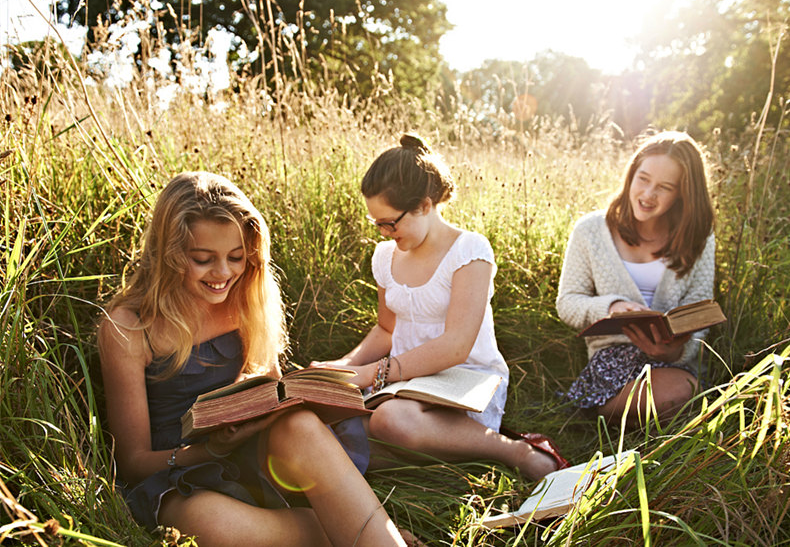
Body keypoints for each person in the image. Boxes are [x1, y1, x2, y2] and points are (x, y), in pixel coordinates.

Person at [98, 172, 406, 546]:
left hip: (251, 451)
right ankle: (361, 529)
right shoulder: (130, 327)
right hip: (178, 472)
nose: (223, 273)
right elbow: (131, 461)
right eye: (202, 259)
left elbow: (272, 385)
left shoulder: (245, 296)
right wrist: (210, 449)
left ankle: (375, 537)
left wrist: (262, 399)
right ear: (170, 253)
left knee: (300, 426)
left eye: (236, 257)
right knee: (219, 529)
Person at [312, 134, 568, 480]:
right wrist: (342, 367)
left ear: (425, 204)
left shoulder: (469, 251)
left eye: (391, 222)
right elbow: (387, 329)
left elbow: (456, 346)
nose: (386, 232)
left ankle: (516, 450)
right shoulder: (385, 256)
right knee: (331, 424)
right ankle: (445, 459)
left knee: (388, 421)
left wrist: (371, 373)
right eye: (378, 224)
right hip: (404, 385)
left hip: (463, 382)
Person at [556, 131, 715, 428]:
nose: (647, 195)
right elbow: (567, 303)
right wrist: (611, 307)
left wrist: (677, 350)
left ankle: (612, 415)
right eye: (643, 179)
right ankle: (607, 409)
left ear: (683, 192)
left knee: (682, 391)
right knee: (679, 398)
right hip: (613, 360)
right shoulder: (590, 230)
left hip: (674, 363)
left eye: (664, 188)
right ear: (630, 175)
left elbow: (699, 311)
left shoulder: (699, 238)